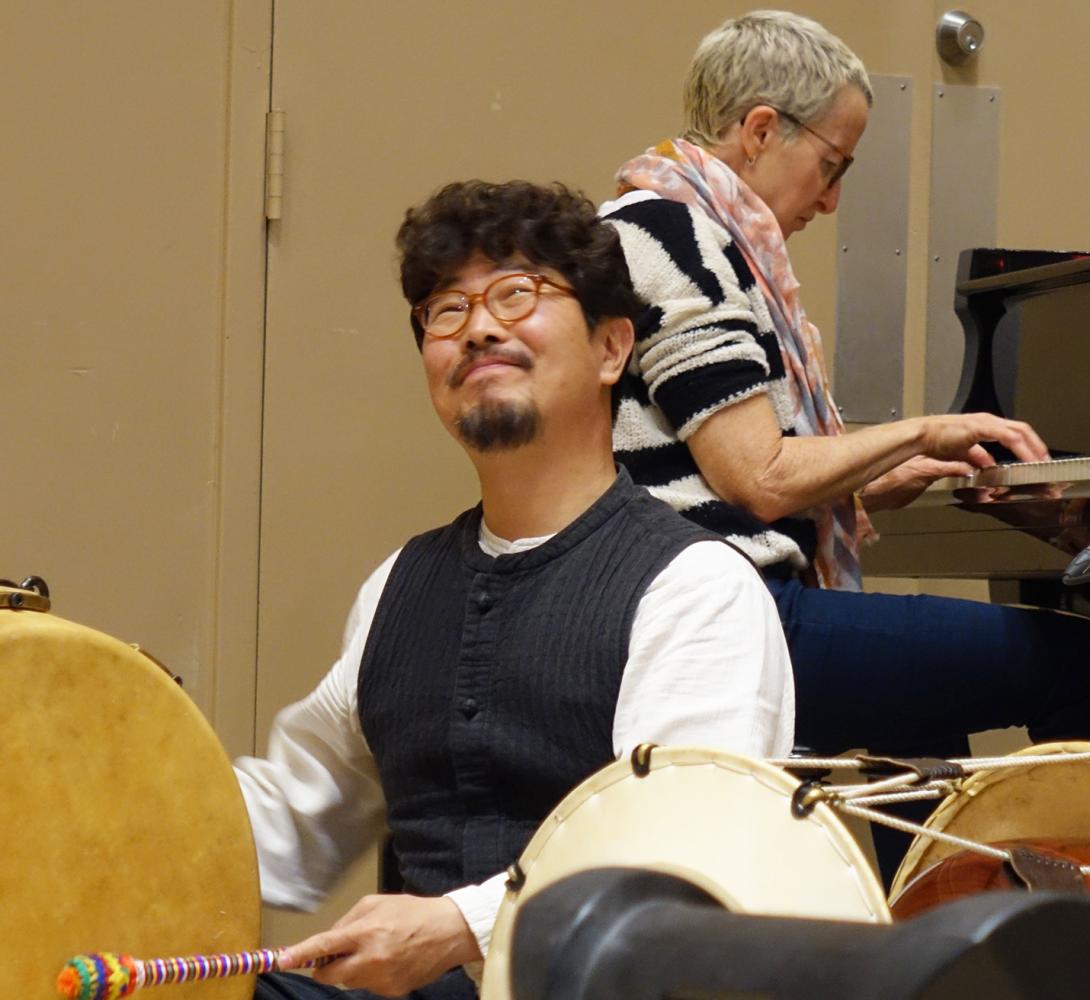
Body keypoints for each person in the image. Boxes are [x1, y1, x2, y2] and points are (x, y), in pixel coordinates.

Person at [237, 179, 794, 1000]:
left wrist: (461, 925)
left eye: (517, 293)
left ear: (612, 349)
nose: (480, 327)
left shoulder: (698, 589)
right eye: (446, 311)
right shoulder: (397, 586)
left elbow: (683, 863)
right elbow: (288, 818)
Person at [602, 9, 1090, 878]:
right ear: (759, 131)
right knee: (1073, 660)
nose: (830, 201)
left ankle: (937, 943)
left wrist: (877, 474)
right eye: (831, 167)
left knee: (922, 733)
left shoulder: (690, 228)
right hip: (726, 624)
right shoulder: (669, 234)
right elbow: (758, 478)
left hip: (731, 603)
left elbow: (732, 463)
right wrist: (924, 428)